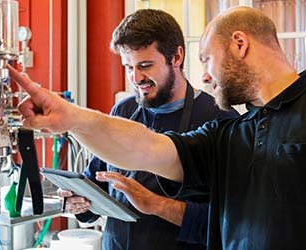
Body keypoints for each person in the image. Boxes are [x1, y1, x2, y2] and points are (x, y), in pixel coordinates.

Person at [9, 6, 306, 250]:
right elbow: (148, 148)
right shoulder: (229, 136)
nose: (203, 74)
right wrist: (71, 117)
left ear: (239, 44)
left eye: (206, 58)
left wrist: (156, 204)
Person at [57, 9, 238, 250]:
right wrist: (79, 202)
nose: (136, 77)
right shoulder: (122, 111)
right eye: (128, 67)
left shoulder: (219, 119)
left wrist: (156, 203)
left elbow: (229, 224)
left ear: (176, 57)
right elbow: (97, 183)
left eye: (145, 65)